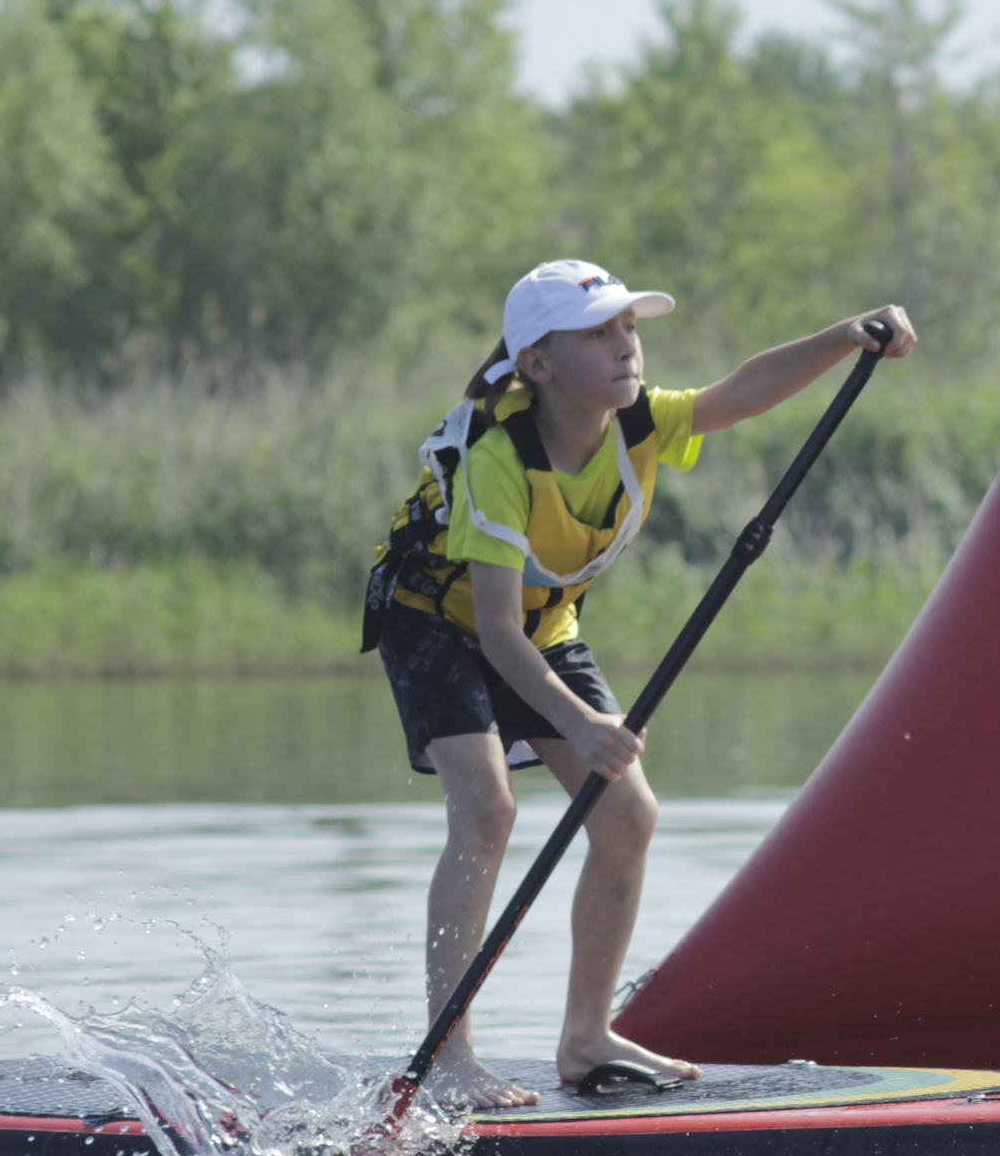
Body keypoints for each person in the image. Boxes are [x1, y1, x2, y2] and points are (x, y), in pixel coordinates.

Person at [362, 260, 917, 1108]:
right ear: (539, 365)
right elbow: (497, 633)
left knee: (628, 811)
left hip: (541, 629)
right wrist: (582, 725)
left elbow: (740, 390)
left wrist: (844, 338)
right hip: (437, 622)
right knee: (488, 808)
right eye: (600, 334)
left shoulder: (640, 424)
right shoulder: (499, 458)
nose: (627, 346)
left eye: (630, 327)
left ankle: (585, 1039)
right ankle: (450, 1055)